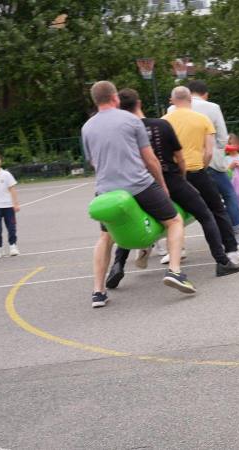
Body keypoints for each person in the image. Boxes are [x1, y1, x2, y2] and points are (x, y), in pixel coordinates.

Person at [105, 89, 239, 288]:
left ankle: (117, 265)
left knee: (130, 221)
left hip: (136, 181)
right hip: (169, 176)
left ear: (119, 106)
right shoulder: (161, 124)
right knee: (205, 214)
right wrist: (182, 179)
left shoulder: (122, 132)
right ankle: (222, 261)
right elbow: (179, 157)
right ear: (139, 103)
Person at [82, 81, 194, 308]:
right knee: (174, 220)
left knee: (106, 237)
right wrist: (162, 184)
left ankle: (98, 291)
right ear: (115, 98)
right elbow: (150, 158)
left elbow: (92, 161)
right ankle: (174, 270)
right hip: (138, 184)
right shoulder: (131, 120)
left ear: (96, 100)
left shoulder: (87, 127)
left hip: (106, 190)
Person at [162, 86, 239, 265]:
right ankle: (230, 250)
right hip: (197, 170)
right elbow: (209, 151)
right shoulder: (202, 119)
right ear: (190, 99)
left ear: (172, 101)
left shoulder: (164, 121)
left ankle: (175, 251)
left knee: (173, 214)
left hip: (175, 175)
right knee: (216, 210)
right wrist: (203, 165)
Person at [0, 149, 20, 259]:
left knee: (11, 228)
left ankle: (13, 246)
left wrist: (15, 204)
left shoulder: (6, 174)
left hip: (8, 206)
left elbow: (12, 189)